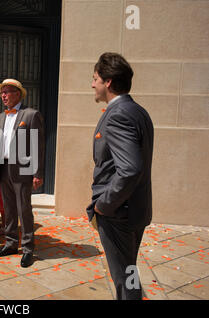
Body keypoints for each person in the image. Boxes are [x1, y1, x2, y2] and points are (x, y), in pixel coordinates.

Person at [86, 52, 154, 300]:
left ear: (109, 82)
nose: (92, 85)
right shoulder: (138, 111)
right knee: (130, 273)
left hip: (118, 215)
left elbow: (130, 169)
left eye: (95, 79)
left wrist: (104, 205)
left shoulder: (119, 114)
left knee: (125, 282)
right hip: (135, 211)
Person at [0, 79, 45, 268]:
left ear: (18, 94)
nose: (3, 95)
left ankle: (28, 249)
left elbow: (38, 146)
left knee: (24, 210)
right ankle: (11, 244)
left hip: (23, 169)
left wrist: (37, 172)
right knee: (9, 209)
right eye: (2, 93)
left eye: (7, 92)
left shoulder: (31, 115)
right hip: (4, 168)